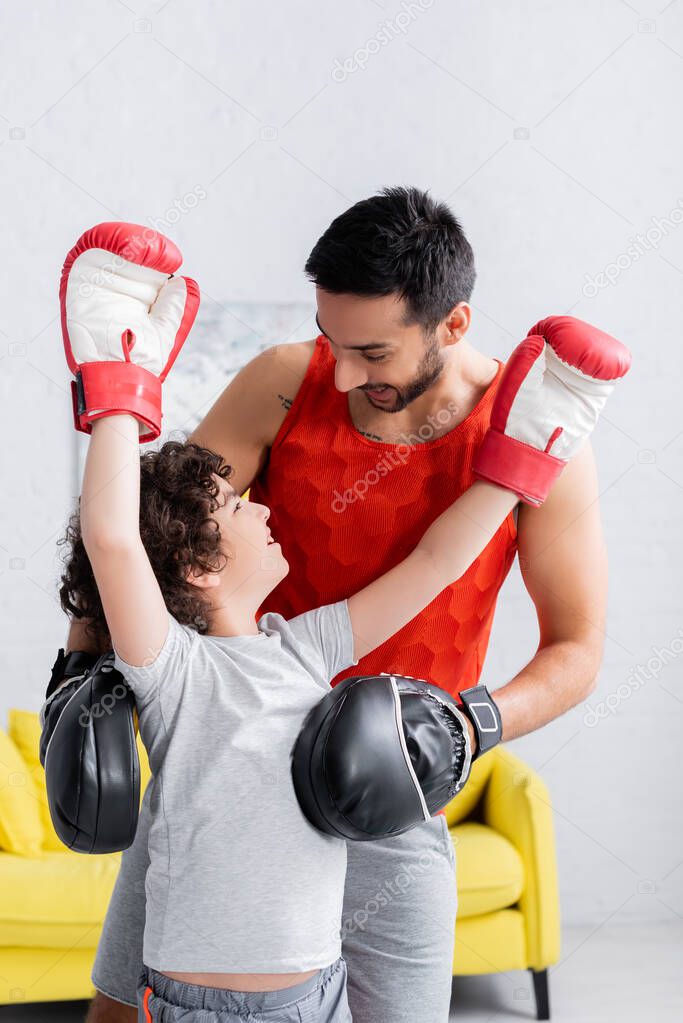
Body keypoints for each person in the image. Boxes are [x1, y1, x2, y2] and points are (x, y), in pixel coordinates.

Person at [62, 189, 622, 1023]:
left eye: (373, 351)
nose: (347, 373)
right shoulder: (287, 383)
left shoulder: (536, 450)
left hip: (386, 792)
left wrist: (463, 728)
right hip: (216, 772)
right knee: (118, 1010)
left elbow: (572, 647)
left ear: (452, 325)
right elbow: (145, 534)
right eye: (333, 341)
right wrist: (75, 670)